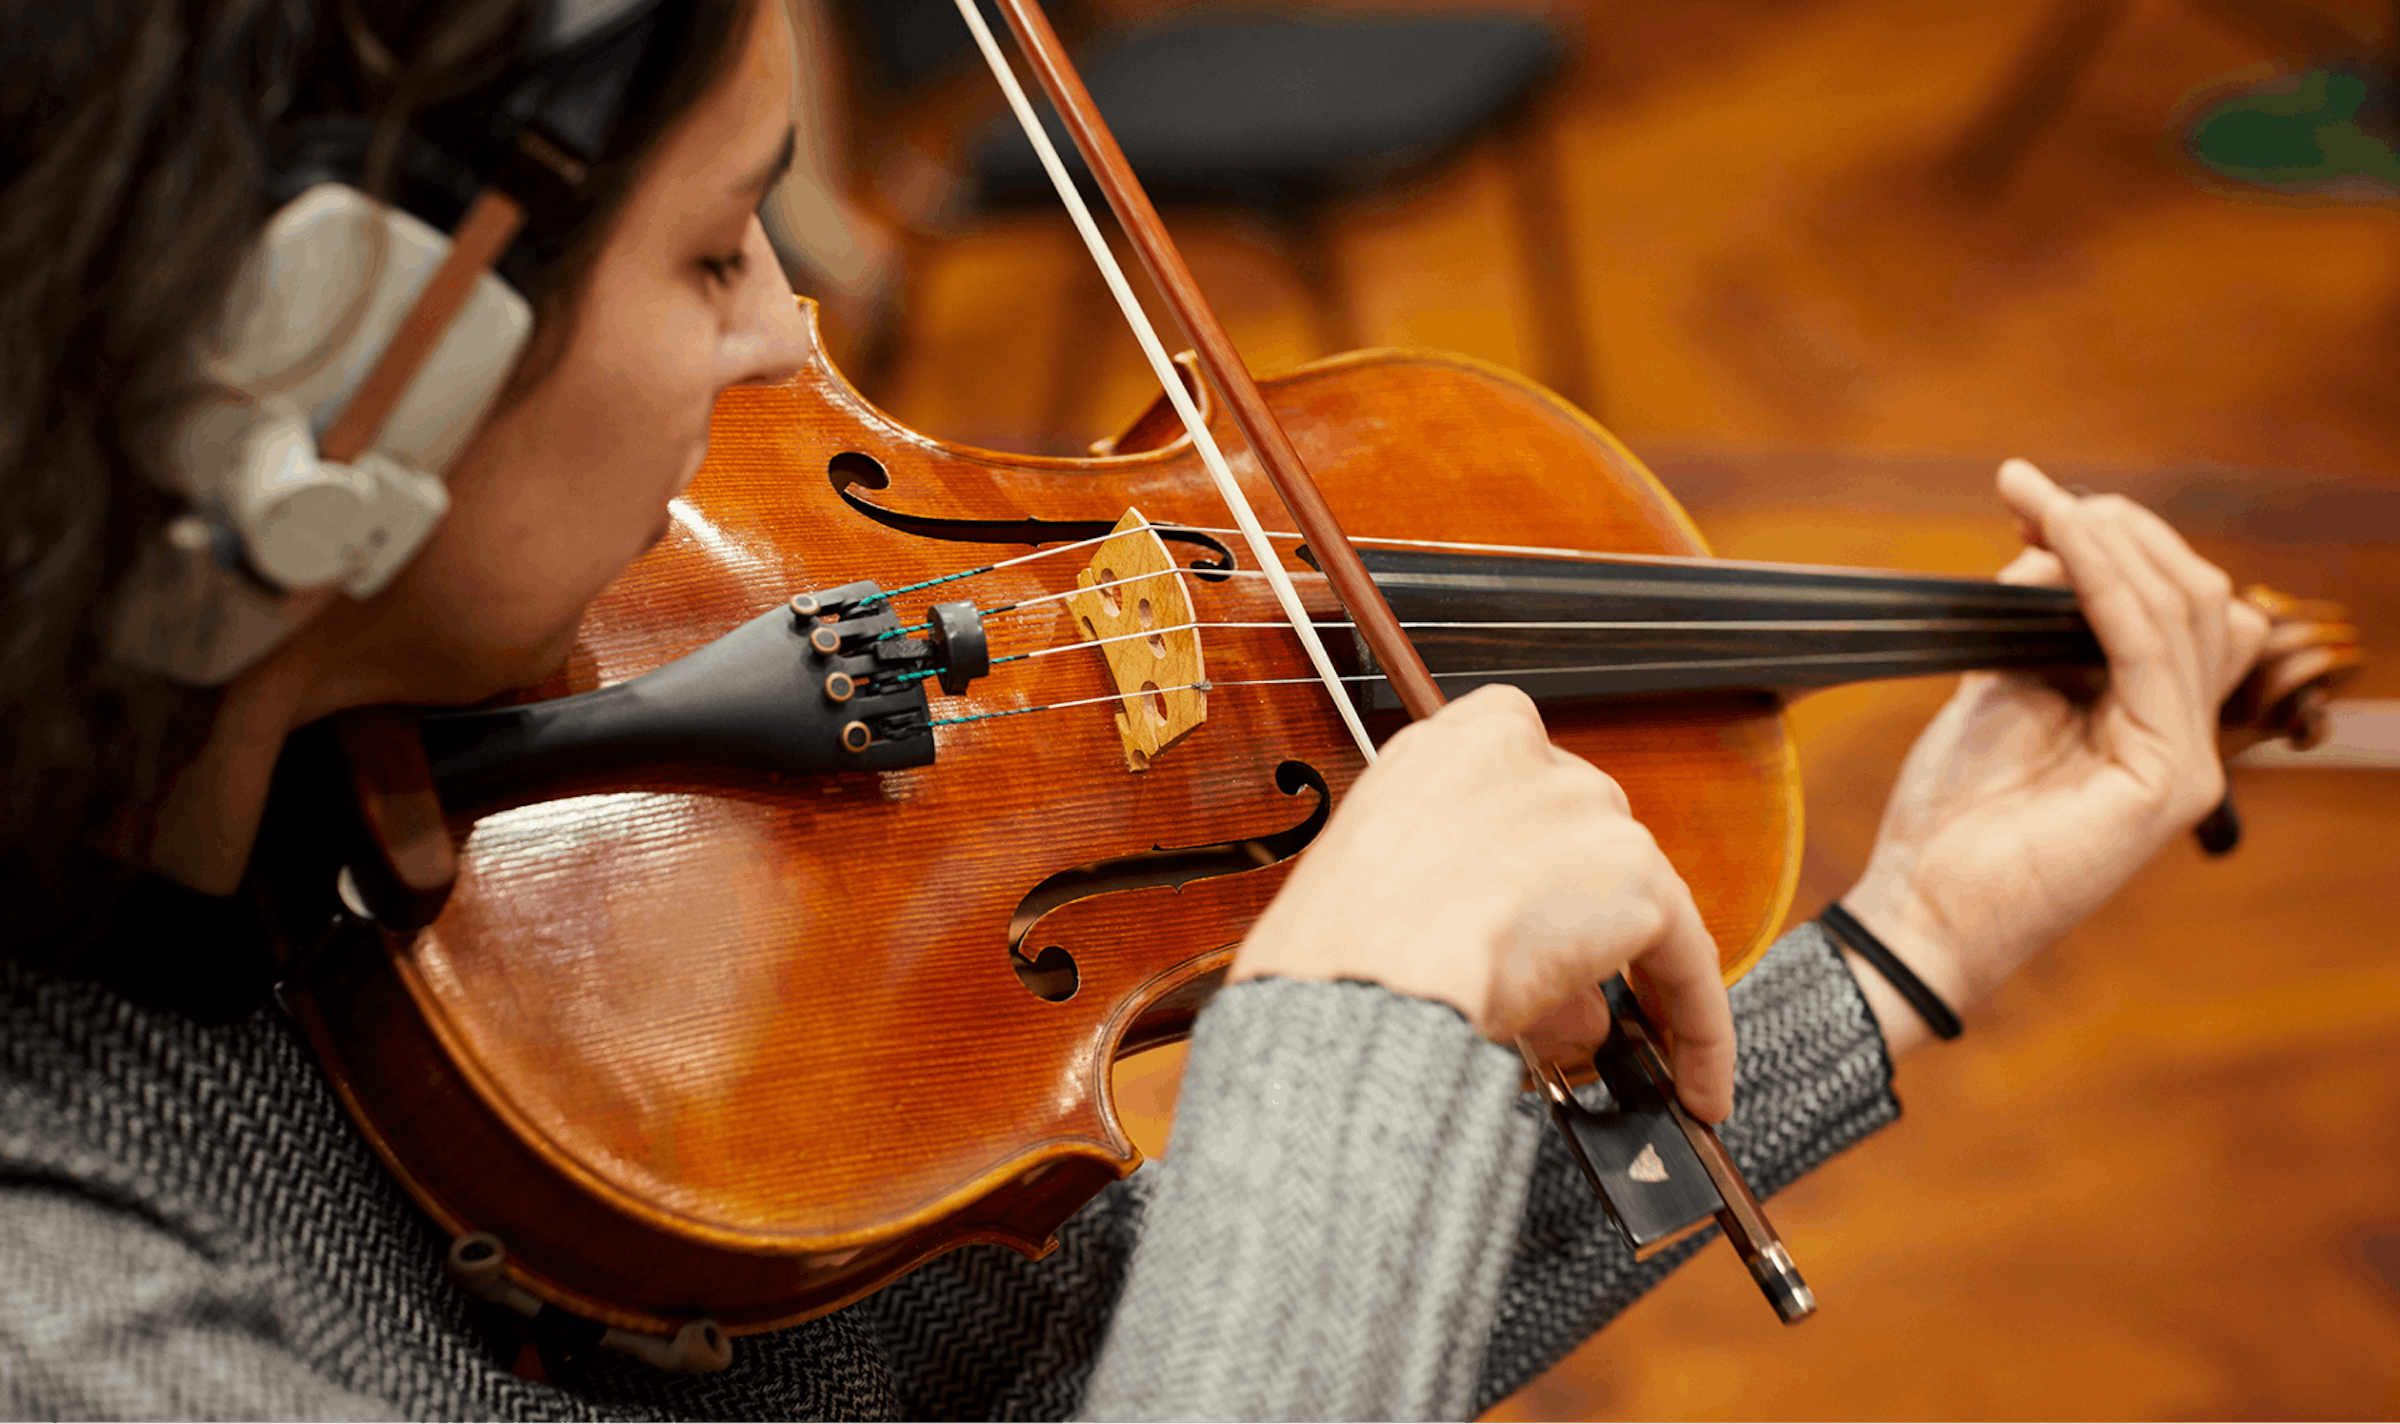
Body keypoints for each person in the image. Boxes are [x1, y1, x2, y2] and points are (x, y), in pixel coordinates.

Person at [0, 0, 2268, 1419]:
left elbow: (1033, 1377)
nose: (792, 345)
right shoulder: (81, 1323)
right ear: (322, 385)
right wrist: (1350, 1035)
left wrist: (1903, 951)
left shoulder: (270, 816)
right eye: (714, 251)